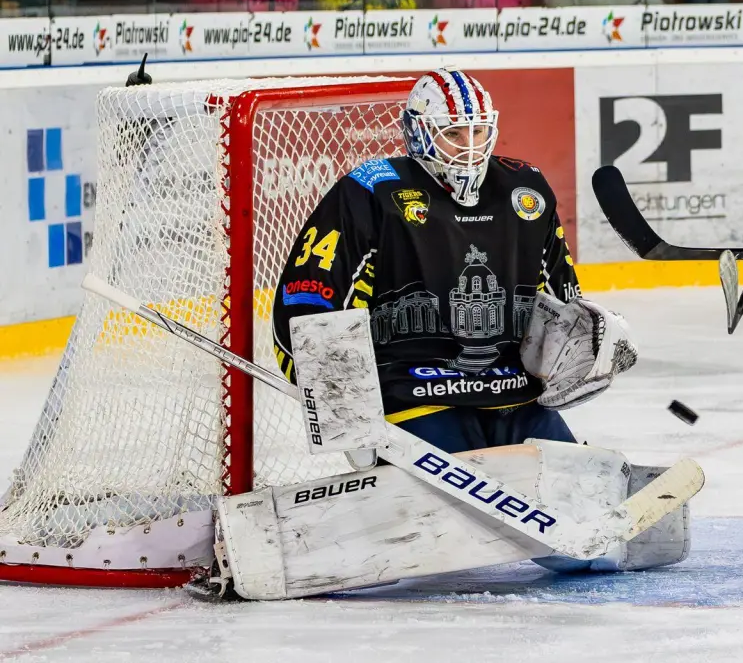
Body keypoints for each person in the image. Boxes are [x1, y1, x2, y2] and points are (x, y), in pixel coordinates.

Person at [267, 69, 680, 577]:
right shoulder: (369, 191)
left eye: (479, 132)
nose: (469, 147)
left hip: (512, 393)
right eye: (454, 133)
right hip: (413, 398)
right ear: (419, 131)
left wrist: (589, 344)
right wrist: (341, 405)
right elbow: (305, 300)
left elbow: (563, 301)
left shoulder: (524, 189)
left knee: (586, 552)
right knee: (433, 538)